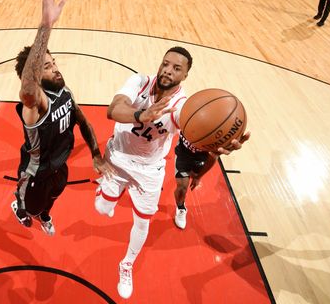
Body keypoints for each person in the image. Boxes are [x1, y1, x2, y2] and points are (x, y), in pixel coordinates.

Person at [93, 48, 248, 299]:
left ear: (185, 75)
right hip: (118, 158)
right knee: (101, 209)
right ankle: (110, 193)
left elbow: (193, 126)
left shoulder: (182, 107)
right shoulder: (139, 81)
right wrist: (141, 115)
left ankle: (127, 264)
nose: (168, 70)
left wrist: (216, 145)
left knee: (142, 221)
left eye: (176, 68)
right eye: (166, 64)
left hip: (148, 170)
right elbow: (113, 109)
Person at [11, 0, 112, 236]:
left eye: (54, 62)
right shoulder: (35, 104)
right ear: (34, 75)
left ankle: (45, 214)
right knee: (29, 208)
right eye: (46, 66)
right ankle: (20, 209)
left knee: (52, 199)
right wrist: (46, 26)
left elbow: (81, 119)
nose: (55, 68)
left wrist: (96, 154)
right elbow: (29, 88)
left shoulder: (63, 89)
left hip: (59, 166)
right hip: (35, 173)